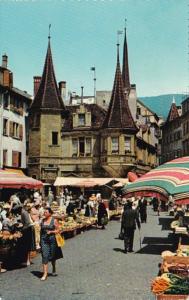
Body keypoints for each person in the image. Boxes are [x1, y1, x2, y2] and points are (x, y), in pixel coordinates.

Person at [40, 207, 63, 281]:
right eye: (44, 212)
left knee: (53, 255)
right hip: (44, 240)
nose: (44, 213)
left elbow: (59, 230)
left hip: (52, 239)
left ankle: (53, 268)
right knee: (45, 255)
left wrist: (52, 232)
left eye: (46, 212)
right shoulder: (42, 221)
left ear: (50, 213)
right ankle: (45, 274)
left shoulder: (54, 220)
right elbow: (41, 231)